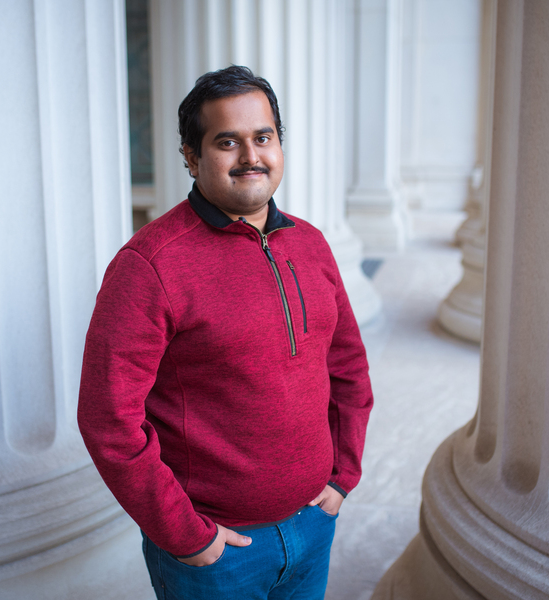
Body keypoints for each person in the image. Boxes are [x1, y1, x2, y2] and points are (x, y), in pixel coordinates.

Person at [78, 65, 373, 600]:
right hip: (217, 553)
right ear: (191, 157)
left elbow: (348, 366)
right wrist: (186, 537)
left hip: (312, 525)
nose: (250, 156)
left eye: (263, 137)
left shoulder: (311, 245)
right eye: (226, 142)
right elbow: (108, 419)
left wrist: (342, 474)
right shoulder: (149, 265)